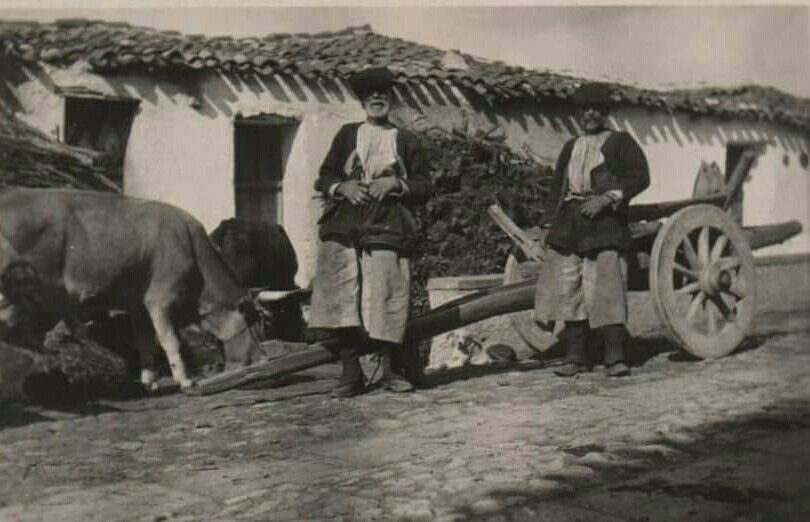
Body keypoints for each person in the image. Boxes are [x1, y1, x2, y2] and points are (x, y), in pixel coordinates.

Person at [308, 67, 432, 398]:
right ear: (363, 101)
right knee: (342, 296)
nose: (377, 98)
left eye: (383, 93)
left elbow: (425, 185)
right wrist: (343, 187)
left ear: (391, 99)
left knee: (386, 294)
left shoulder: (406, 140)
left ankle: (390, 370)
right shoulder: (347, 134)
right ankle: (351, 374)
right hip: (345, 223)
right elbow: (324, 176)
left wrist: (397, 183)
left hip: (387, 224)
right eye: (371, 94)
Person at [534, 82, 650, 378]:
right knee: (568, 285)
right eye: (585, 109)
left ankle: (614, 355)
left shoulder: (620, 142)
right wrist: (548, 222)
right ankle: (576, 354)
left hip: (604, 221)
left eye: (596, 109)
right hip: (571, 222)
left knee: (606, 284)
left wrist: (607, 198)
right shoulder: (572, 146)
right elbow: (557, 186)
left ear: (605, 112)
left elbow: (640, 177)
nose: (589, 114)